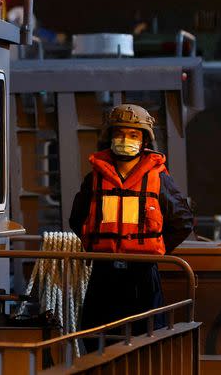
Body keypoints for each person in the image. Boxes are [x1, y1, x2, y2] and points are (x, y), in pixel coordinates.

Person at [69, 104, 194, 339]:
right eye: (120, 134)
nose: (125, 140)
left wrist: (156, 246)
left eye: (133, 135)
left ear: (144, 141)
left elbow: (183, 221)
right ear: (110, 138)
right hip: (104, 273)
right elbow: (77, 218)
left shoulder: (159, 179)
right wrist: (96, 243)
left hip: (143, 275)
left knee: (147, 338)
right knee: (97, 336)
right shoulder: (94, 178)